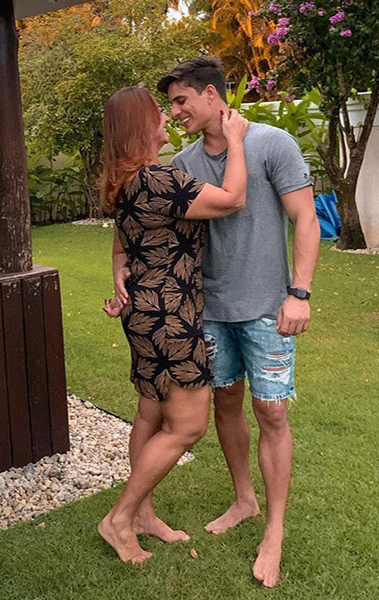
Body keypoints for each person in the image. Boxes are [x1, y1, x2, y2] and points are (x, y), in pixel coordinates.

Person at [156, 56, 319, 588]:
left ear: (211, 93)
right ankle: (244, 499)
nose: (175, 112)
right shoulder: (183, 163)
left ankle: (275, 530)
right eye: (171, 104)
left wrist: (299, 293)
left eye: (181, 100)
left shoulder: (273, 143)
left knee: (271, 412)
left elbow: (306, 218)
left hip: (269, 308)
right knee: (225, 402)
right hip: (211, 310)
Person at [98, 85, 248, 564]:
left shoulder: (125, 182)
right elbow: (233, 199)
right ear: (142, 126)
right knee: (187, 426)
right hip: (172, 316)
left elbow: (121, 247)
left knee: (150, 414)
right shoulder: (159, 179)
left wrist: (118, 272)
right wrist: (236, 139)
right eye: (158, 112)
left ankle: (143, 515)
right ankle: (120, 518)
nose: (168, 117)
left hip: (142, 312)